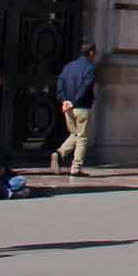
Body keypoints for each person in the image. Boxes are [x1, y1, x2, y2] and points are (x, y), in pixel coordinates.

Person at [51, 42, 96, 177]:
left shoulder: (68, 66)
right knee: (82, 137)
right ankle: (76, 167)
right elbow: (86, 86)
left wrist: (64, 99)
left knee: (74, 134)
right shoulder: (90, 67)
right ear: (91, 53)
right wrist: (74, 101)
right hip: (81, 106)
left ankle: (58, 154)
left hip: (68, 107)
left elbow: (60, 82)